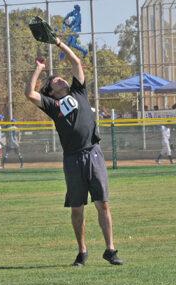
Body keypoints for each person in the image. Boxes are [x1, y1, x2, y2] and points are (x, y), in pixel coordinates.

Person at [25, 39, 123, 267]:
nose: (61, 79)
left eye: (60, 77)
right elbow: (29, 93)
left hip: (93, 153)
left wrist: (58, 43)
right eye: (55, 80)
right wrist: (39, 69)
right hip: (73, 158)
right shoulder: (52, 104)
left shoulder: (78, 90)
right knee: (77, 209)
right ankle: (82, 251)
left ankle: (110, 249)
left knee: (103, 204)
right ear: (50, 91)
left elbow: (76, 61)